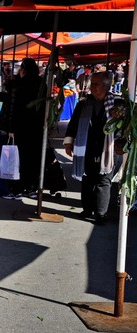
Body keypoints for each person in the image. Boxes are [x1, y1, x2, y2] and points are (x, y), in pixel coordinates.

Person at [63, 72, 120, 225]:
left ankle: (101, 213)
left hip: (108, 148)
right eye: (91, 83)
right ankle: (87, 209)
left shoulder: (117, 103)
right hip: (86, 146)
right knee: (87, 178)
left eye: (96, 84)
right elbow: (73, 123)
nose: (92, 87)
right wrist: (69, 142)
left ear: (107, 86)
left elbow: (123, 128)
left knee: (103, 180)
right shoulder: (83, 103)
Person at [0, 58, 45, 200]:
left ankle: (16, 190)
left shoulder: (19, 84)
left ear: (23, 69)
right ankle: (30, 189)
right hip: (36, 128)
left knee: (16, 158)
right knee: (32, 159)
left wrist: (11, 128)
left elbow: (13, 108)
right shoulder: (42, 84)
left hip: (20, 128)